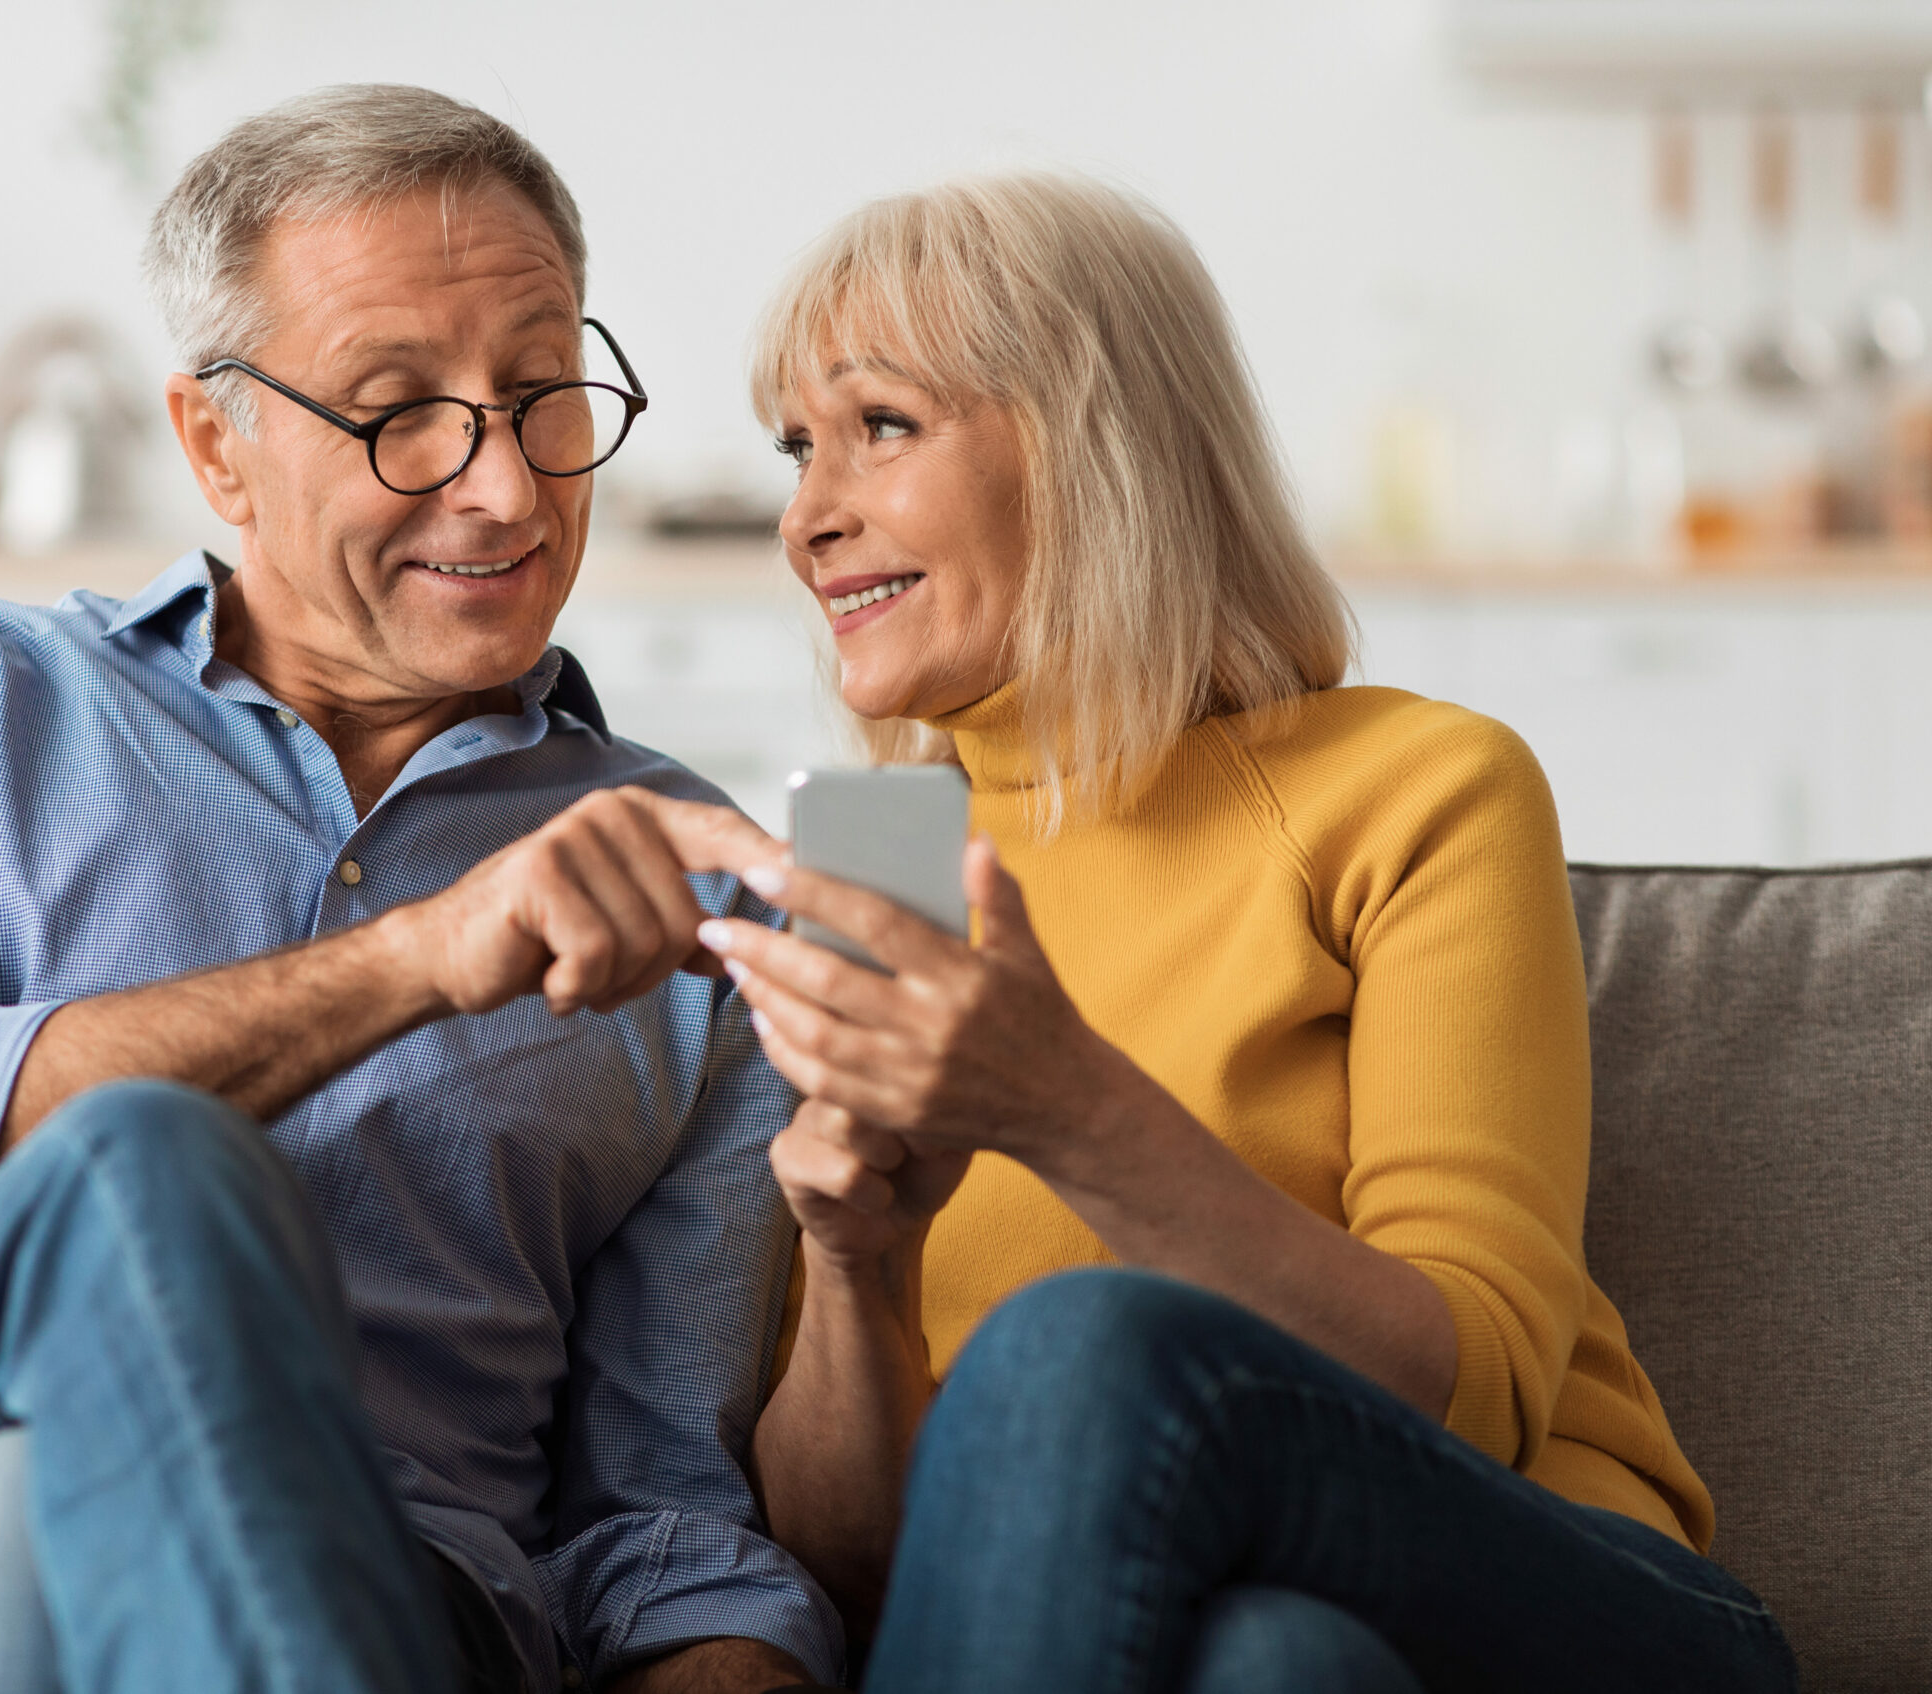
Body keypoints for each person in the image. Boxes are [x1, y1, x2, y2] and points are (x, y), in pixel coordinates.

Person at [0, 85, 842, 1694]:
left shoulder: (700, 894)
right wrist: (419, 959)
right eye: (399, 409)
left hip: (384, 1582)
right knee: (136, 1164)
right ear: (218, 441)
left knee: (9, 1543)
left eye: (544, 392)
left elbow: (658, 1511)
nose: (503, 486)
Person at [698, 173, 1800, 1693]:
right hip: (1195, 1624)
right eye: (796, 450)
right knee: (1276, 1666)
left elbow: (1474, 1398)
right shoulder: (879, 868)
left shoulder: (1416, 786)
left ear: (1094, 443)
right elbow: (866, 1569)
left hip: (1578, 1596)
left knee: (1078, 1347)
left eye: (880, 426)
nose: (809, 516)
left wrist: (1065, 1106)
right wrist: (853, 1264)